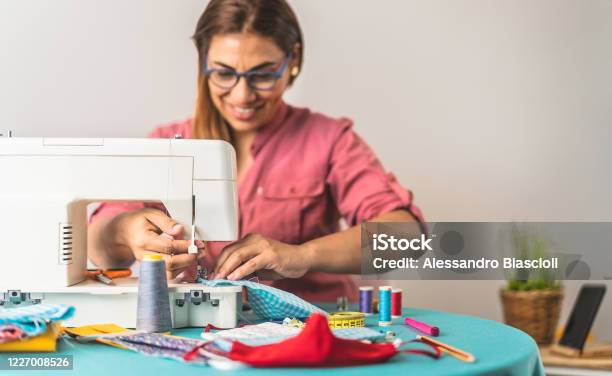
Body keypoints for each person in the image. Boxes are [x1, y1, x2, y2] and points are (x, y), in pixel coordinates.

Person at [88, 0, 423, 302]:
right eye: (223, 74)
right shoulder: (165, 144)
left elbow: (406, 239)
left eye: (262, 75)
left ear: (293, 60)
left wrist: (301, 256)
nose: (242, 95)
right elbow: (95, 244)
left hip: (312, 332)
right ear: (203, 63)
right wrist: (126, 231)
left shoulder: (330, 140)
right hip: (196, 334)